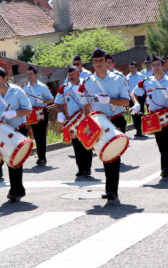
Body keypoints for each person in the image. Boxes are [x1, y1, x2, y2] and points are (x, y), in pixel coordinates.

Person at [78, 48, 130, 201]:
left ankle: (112, 190)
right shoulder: (88, 83)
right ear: (92, 64)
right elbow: (86, 106)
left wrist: (109, 100)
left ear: (107, 62)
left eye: (101, 61)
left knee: (114, 154)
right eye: (95, 62)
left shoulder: (118, 79)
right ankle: (109, 189)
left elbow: (126, 101)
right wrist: (86, 125)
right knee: (103, 154)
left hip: (115, 119)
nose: (98, 64)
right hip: (98, 123)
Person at [0, 66, 32, 202]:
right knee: (7, 158)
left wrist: (15, 113)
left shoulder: (17, 91)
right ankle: (18, 189)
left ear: (5, 78)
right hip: (1, 133)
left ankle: (15, 190)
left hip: (17, 130)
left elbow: (28, 109)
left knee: (14, 159)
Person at [132, 55, 168, 178]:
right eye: (154, 65)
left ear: (163, 66)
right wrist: (137, 103)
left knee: (167, 143)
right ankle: (166, 168)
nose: (156, 67)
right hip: (155, 118)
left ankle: (166, 168)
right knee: (160, 143)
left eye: (158, 65)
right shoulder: (147, 82)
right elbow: (133, 93)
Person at [55, 65, 93, 177]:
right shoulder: (64, 88)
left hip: (85, 118)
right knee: (76, 146)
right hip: (73, 121)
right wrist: (60, 112)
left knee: (87, 143)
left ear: (78, 74)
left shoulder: (86, 84)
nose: (71, 77)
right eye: (69, 75)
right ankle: (80, 168)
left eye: (73, 75)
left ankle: (88, 168)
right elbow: (57, 102)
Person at [23, 65, 54, 165]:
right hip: (32, 113)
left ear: (36, 74)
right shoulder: (25, 88)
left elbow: (51, 100)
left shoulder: (42, 87)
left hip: (42, 111)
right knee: (36, 134)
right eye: (28, 74)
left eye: (31, 74)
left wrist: (43, 100)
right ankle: (40, 156)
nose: (29, 76)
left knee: (42, 134)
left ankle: (42, 157)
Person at [125, 61, 146, 138]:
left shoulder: (141, 76)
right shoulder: (127, 77)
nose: (131, 69)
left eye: (133, 67)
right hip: (131, 98)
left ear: (136, 67)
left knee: (141, 113)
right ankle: (138, 130)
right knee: (134, 114)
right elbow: (127, 89)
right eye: (130, 67)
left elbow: (144, 87)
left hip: (140, 97)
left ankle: (143, 130)